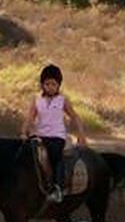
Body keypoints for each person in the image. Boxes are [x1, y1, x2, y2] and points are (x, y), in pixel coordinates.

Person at [24, 63, 85, 203]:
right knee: (28, 154)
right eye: (47, 84)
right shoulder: (37, 100)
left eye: (53, 84)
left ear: (58, 85)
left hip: (57, 136)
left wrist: (81, 135)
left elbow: (74, 116)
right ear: (42, 85)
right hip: (40, 135)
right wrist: (24, 131)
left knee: (54, 154)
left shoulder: (63, 100)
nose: (50, 87)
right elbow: (30, 118)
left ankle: (57, 188)